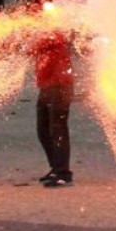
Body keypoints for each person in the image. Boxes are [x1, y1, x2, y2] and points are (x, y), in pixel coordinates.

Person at [29, 16, 75, 188]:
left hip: (60, 87)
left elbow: (32, 46)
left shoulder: (53, 35)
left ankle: (63, 173)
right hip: (47, 87)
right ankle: (56, 167)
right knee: (43, 130)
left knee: (58, 130)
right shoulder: (45, 35)